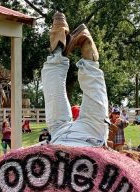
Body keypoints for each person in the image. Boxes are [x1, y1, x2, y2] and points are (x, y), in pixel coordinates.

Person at [41, 12, 109, 147]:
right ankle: (57, 49)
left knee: (94, 86)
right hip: (60, 136)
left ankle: (85, 45)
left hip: (86, 135)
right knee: (53, 96)